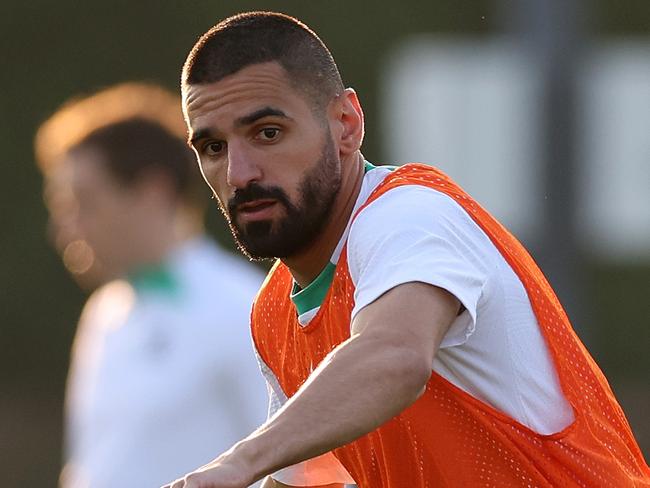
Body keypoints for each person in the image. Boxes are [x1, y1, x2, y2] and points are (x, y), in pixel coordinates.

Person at [165, 11, 650, 488]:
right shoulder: (273, 314)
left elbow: (395, 357)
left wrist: (238, 462)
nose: (239, 174)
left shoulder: (408, 216)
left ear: (347, 125)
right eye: (213, 148)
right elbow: (311, 479)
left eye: (267, 133)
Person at [35, 82, 268, 488]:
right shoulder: (104, 312)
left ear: (152, 193)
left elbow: (296, 469)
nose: (63, 228)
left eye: (83, 202)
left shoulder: (245, 309)